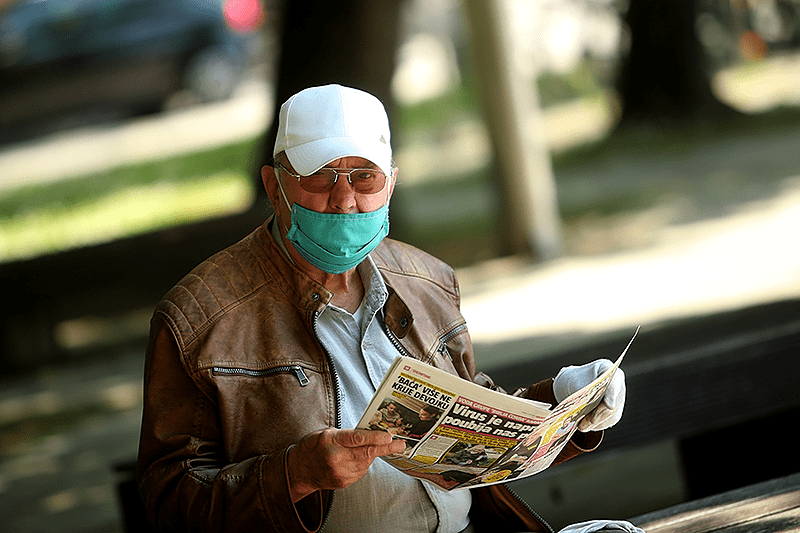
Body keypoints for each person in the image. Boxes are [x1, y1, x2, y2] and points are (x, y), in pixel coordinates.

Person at [136, 84, 629, 533]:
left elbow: (475, 423)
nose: (345, 199)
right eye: (322, 176)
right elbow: (168, 504)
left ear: (391, 183)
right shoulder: (199, 318)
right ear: (274, 186)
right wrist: (294, 476)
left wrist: (564, 405)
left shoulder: (428, 280)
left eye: (364, 177)